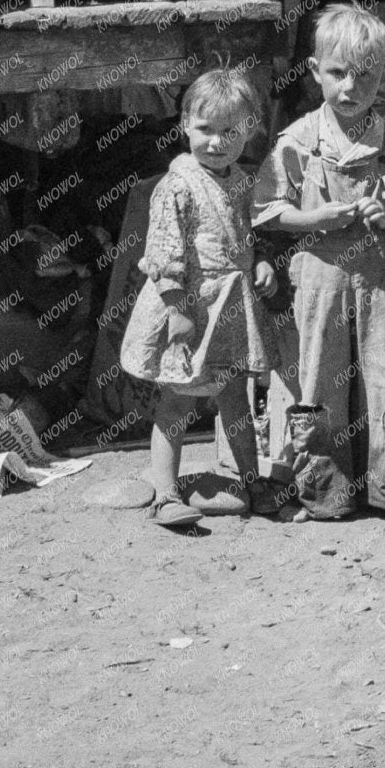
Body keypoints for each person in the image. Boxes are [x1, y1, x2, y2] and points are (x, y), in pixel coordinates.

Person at [254, 3, 385, 534]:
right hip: (319, 280)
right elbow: (267, 210)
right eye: (336, 73)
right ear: (314, 72)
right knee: (318, 383)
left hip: (383, 281)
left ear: (384, 74)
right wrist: (316, 217)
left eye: (366, 75)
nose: (350, 88)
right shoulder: (298, 141)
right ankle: (324, 495)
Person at [119, 68, 279, 527]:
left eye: (230, 131)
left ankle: (250, 479)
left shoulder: (242, 183)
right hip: (189, 307)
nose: (216, 142)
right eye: (205, 129)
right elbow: (164, 254)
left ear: (248, 131)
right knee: (176, 403)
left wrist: (262, 262)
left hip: (229, 308)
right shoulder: (178, 186)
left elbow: (250, 236)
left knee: (236, 401)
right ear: (185, 124)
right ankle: (166, 494)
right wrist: (177, 310)